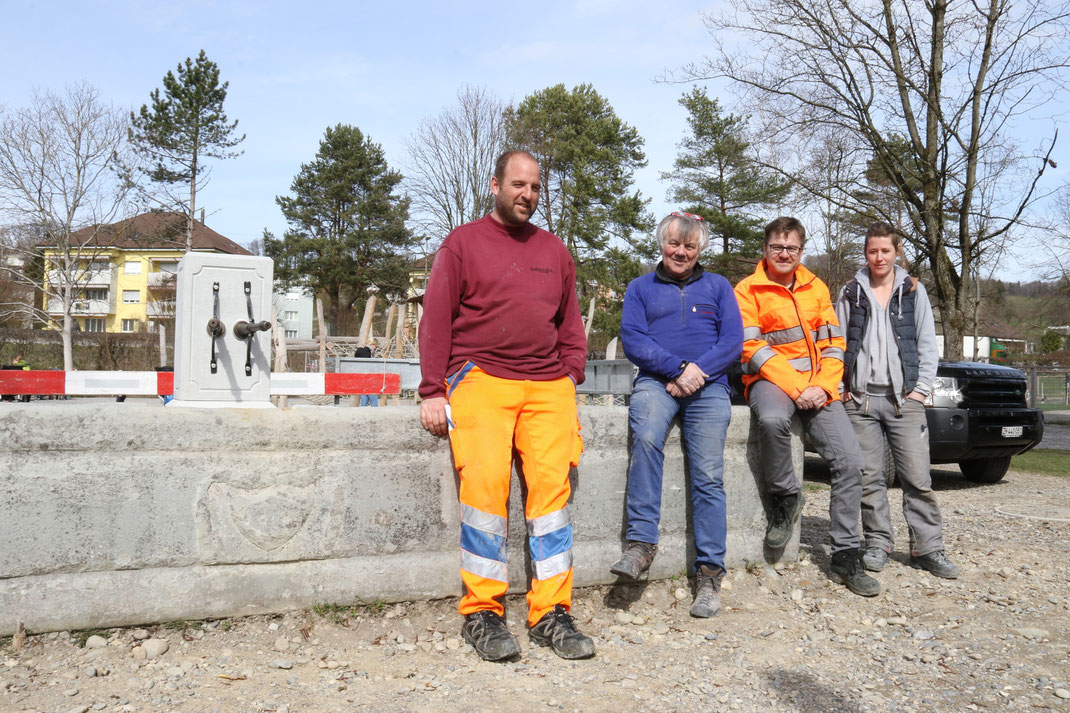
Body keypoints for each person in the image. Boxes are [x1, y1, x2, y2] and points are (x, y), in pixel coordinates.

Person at [418, 150, 594, 661]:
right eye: (518, 185)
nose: (528, 196)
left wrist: (571, 373)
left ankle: (550, 613)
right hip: (481, 378)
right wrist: (432, 388)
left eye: (536, 188)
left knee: (552, 502)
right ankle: (482, 612)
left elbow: (570, 324)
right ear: (494, 185)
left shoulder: (555, 251)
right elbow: (436, 318)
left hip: (546, 386)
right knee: (485, 497)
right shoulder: (462, 244)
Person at [734, 217, 879, 597]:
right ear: (764, 250)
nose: (784, 254)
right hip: (771, 381)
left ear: (802, 251)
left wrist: (823, 385)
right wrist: (799, 388)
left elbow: (834, 345)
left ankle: (846, 554)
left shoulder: (817, 288)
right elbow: (752, 347)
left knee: (851, 461)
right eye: (777, 247)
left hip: (818, 386)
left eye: (792, 248)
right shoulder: (747, 290)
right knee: (770, 419)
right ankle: (786, 497)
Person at [611, 212, 743, 619]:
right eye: (673, 244)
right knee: (647, 437)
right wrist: (675, 369)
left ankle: (708, 573)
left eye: (689, 246)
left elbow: (733, 341)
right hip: (657, 381)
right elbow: (633, 339)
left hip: (709, 384)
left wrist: (696, 372)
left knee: (707, 472)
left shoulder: (719, 287)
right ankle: (641, 545)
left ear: (700, 248)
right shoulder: (640, 288)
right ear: (662, 244)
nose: (680, 252)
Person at [835, 222, 959, 579]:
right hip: (861, 402)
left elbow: (927, 344)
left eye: (885, 251)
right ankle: (878, 543)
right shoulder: (850, 293)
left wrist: (920, 389)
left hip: (906, 401)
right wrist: (842, 386)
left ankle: (928, 548)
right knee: (870, 478)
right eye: (872, 251)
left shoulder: (913, 291)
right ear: (865, 253)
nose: (879, 257)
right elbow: (838, 344)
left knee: (918, 478)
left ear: (897, 251)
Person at [355, 339, 379, 407]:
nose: (375, 348)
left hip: (362, 379)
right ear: (372, 345)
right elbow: (369, 365)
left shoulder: (360, 351)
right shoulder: (368, 352)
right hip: (370, 379)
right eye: (375, 346)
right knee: (373, 399)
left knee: (364, 399)